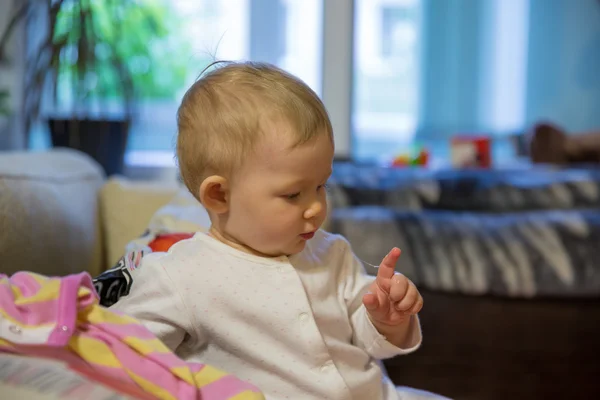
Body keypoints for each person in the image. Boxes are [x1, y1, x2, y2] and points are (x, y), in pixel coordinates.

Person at [111, 61, 448, 400]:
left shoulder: (333, 253)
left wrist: (386, 320)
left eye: (321, 186)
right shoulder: (179, 275)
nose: (317, 207)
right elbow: (116, 354)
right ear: (219, 195)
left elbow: (368, 341)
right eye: (293, 194)